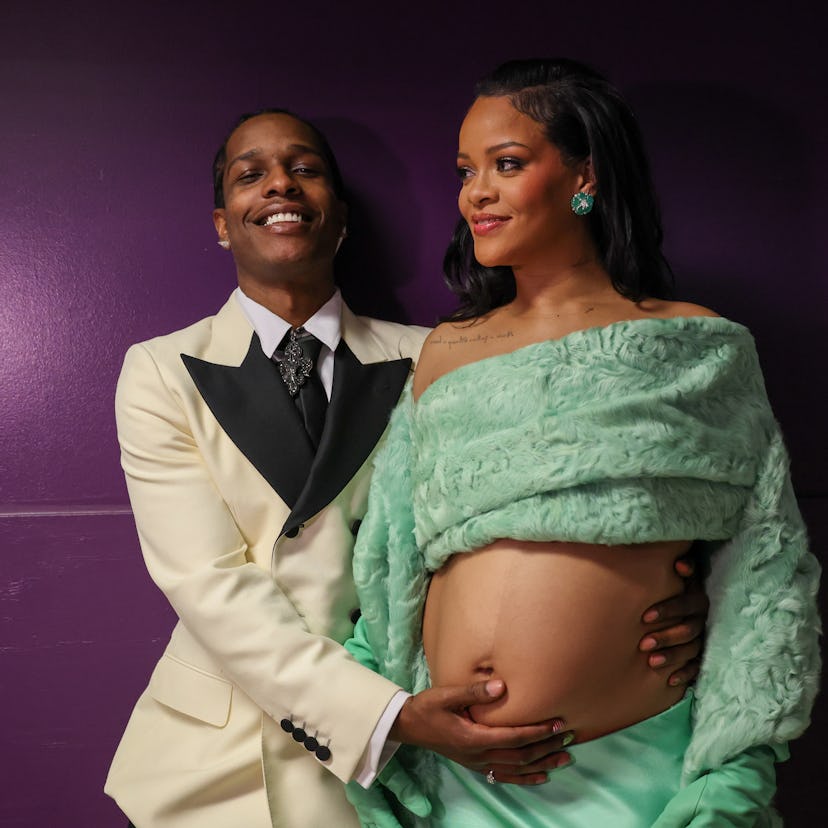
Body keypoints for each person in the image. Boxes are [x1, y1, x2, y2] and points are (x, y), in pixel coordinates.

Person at [104, 108, 710, 828]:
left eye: (305, 169)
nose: (279, 187)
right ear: (221, 221)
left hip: (421, 766)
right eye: (250, 174)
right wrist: (388, 715)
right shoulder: (159, 370)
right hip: (224, 759)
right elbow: (206, 582)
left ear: (341, 217)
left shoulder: (439, 354)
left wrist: (667, 603)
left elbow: (536, 514)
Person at [346, 59, 821, 827]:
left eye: (507, 164)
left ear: (584, 176)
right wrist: (396, 712)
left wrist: (735, 769)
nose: (476, 193)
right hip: (458, 774)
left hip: (634, 774)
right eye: (466, 170)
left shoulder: (696, 347)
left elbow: (766, 573)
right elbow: (391, 558)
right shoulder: (446, 351)